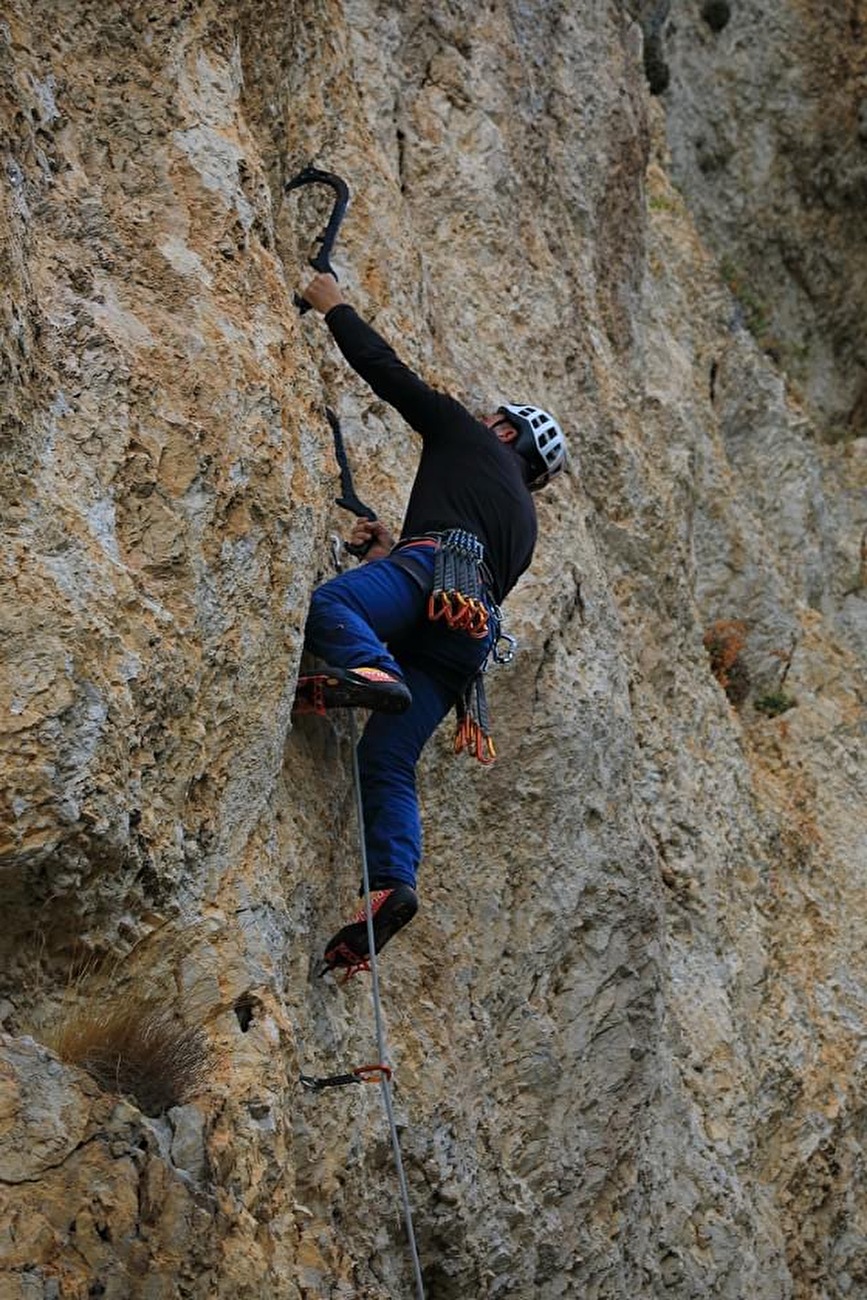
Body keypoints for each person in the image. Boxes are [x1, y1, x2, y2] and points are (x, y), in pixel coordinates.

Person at [296, 271, 566, 980]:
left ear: (504, 431)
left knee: (335, 608)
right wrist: (390, 549)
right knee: (385, 761)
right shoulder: (524, 522)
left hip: (433, 580)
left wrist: (333, 305)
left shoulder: (470, 440)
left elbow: (389, 375)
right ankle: (391, 882)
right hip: (459, 638)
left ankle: (369, 671)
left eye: (491, 419)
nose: (481, 421)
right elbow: (465, 566)